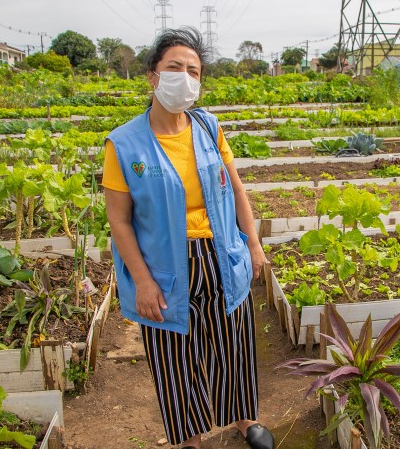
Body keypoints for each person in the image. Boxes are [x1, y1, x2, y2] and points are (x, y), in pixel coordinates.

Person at [102, 27, 274, 449]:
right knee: (174, 354)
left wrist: (252, 242)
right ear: (153, 76)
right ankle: (191, 437)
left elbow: (235, 189)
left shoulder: (209, 127)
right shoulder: (124, 144)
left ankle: (243, 418)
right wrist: (142, 280)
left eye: (193, 70)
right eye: (175, 67)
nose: (185, 76)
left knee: (231, 339)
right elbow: (119, 221)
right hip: (164, 265)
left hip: (220, 252)